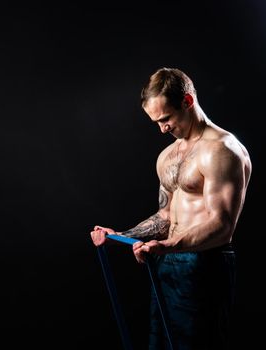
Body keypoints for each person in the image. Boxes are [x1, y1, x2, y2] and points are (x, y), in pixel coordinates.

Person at [90, 67, 252, 350]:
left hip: (204, 264)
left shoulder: (222, 150)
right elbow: (165, 215)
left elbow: (222, 226)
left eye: (166, 118)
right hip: (168, 261)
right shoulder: (168, 156)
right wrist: (122, 234)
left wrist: (166, 246)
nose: (162, 128)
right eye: (156, 122)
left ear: (187, 102)